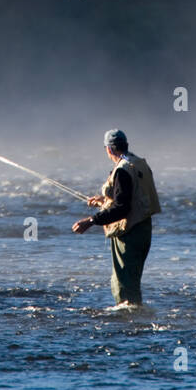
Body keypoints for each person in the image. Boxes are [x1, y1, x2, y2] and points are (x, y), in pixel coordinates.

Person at [72, 129, 161, 306]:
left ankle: (128, 326)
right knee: (132, 281)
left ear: (109, 150)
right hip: (143, 229)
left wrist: (90, 221)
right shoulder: (138, 163)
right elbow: (134, 195)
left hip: (130, 232)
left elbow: (122, 209)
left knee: (124, 284)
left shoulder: (122, 170)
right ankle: (137, 320)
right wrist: (105, 200)